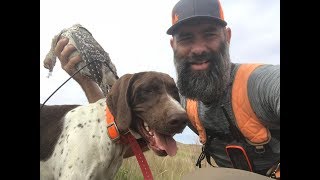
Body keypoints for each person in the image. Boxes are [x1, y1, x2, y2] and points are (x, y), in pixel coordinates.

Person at [49, 0, 280, 178]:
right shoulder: (184, 102)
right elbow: (120, 136)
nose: (198, 48)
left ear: (227, 37)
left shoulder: (262, 83)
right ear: (173, 46)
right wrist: (86, 81)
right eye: (186, 38)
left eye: (209, 34)